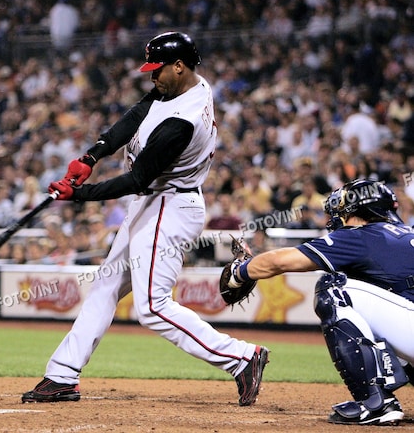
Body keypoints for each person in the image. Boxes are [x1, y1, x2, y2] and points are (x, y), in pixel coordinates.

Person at [21, 32, 269, 406]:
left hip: (170, 207)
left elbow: (137, 180)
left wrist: (77, 195)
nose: (153, 78)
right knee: (106, 286)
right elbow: (139, 112)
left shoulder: (183, 121)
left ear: (179, 66)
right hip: (155, 202)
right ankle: (62, 375)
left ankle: (241, 357)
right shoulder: (185, 87)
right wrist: (92, 156)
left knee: (152, 306)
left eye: (158, 70)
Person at [222, 178, 414, 425]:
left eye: (343, 211)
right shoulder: (405, 233)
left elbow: (281, 261)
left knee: (332, 288)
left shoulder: (362, 236)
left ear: (358, 211)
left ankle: (376, 404)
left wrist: (241, 271)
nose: (337, 218)